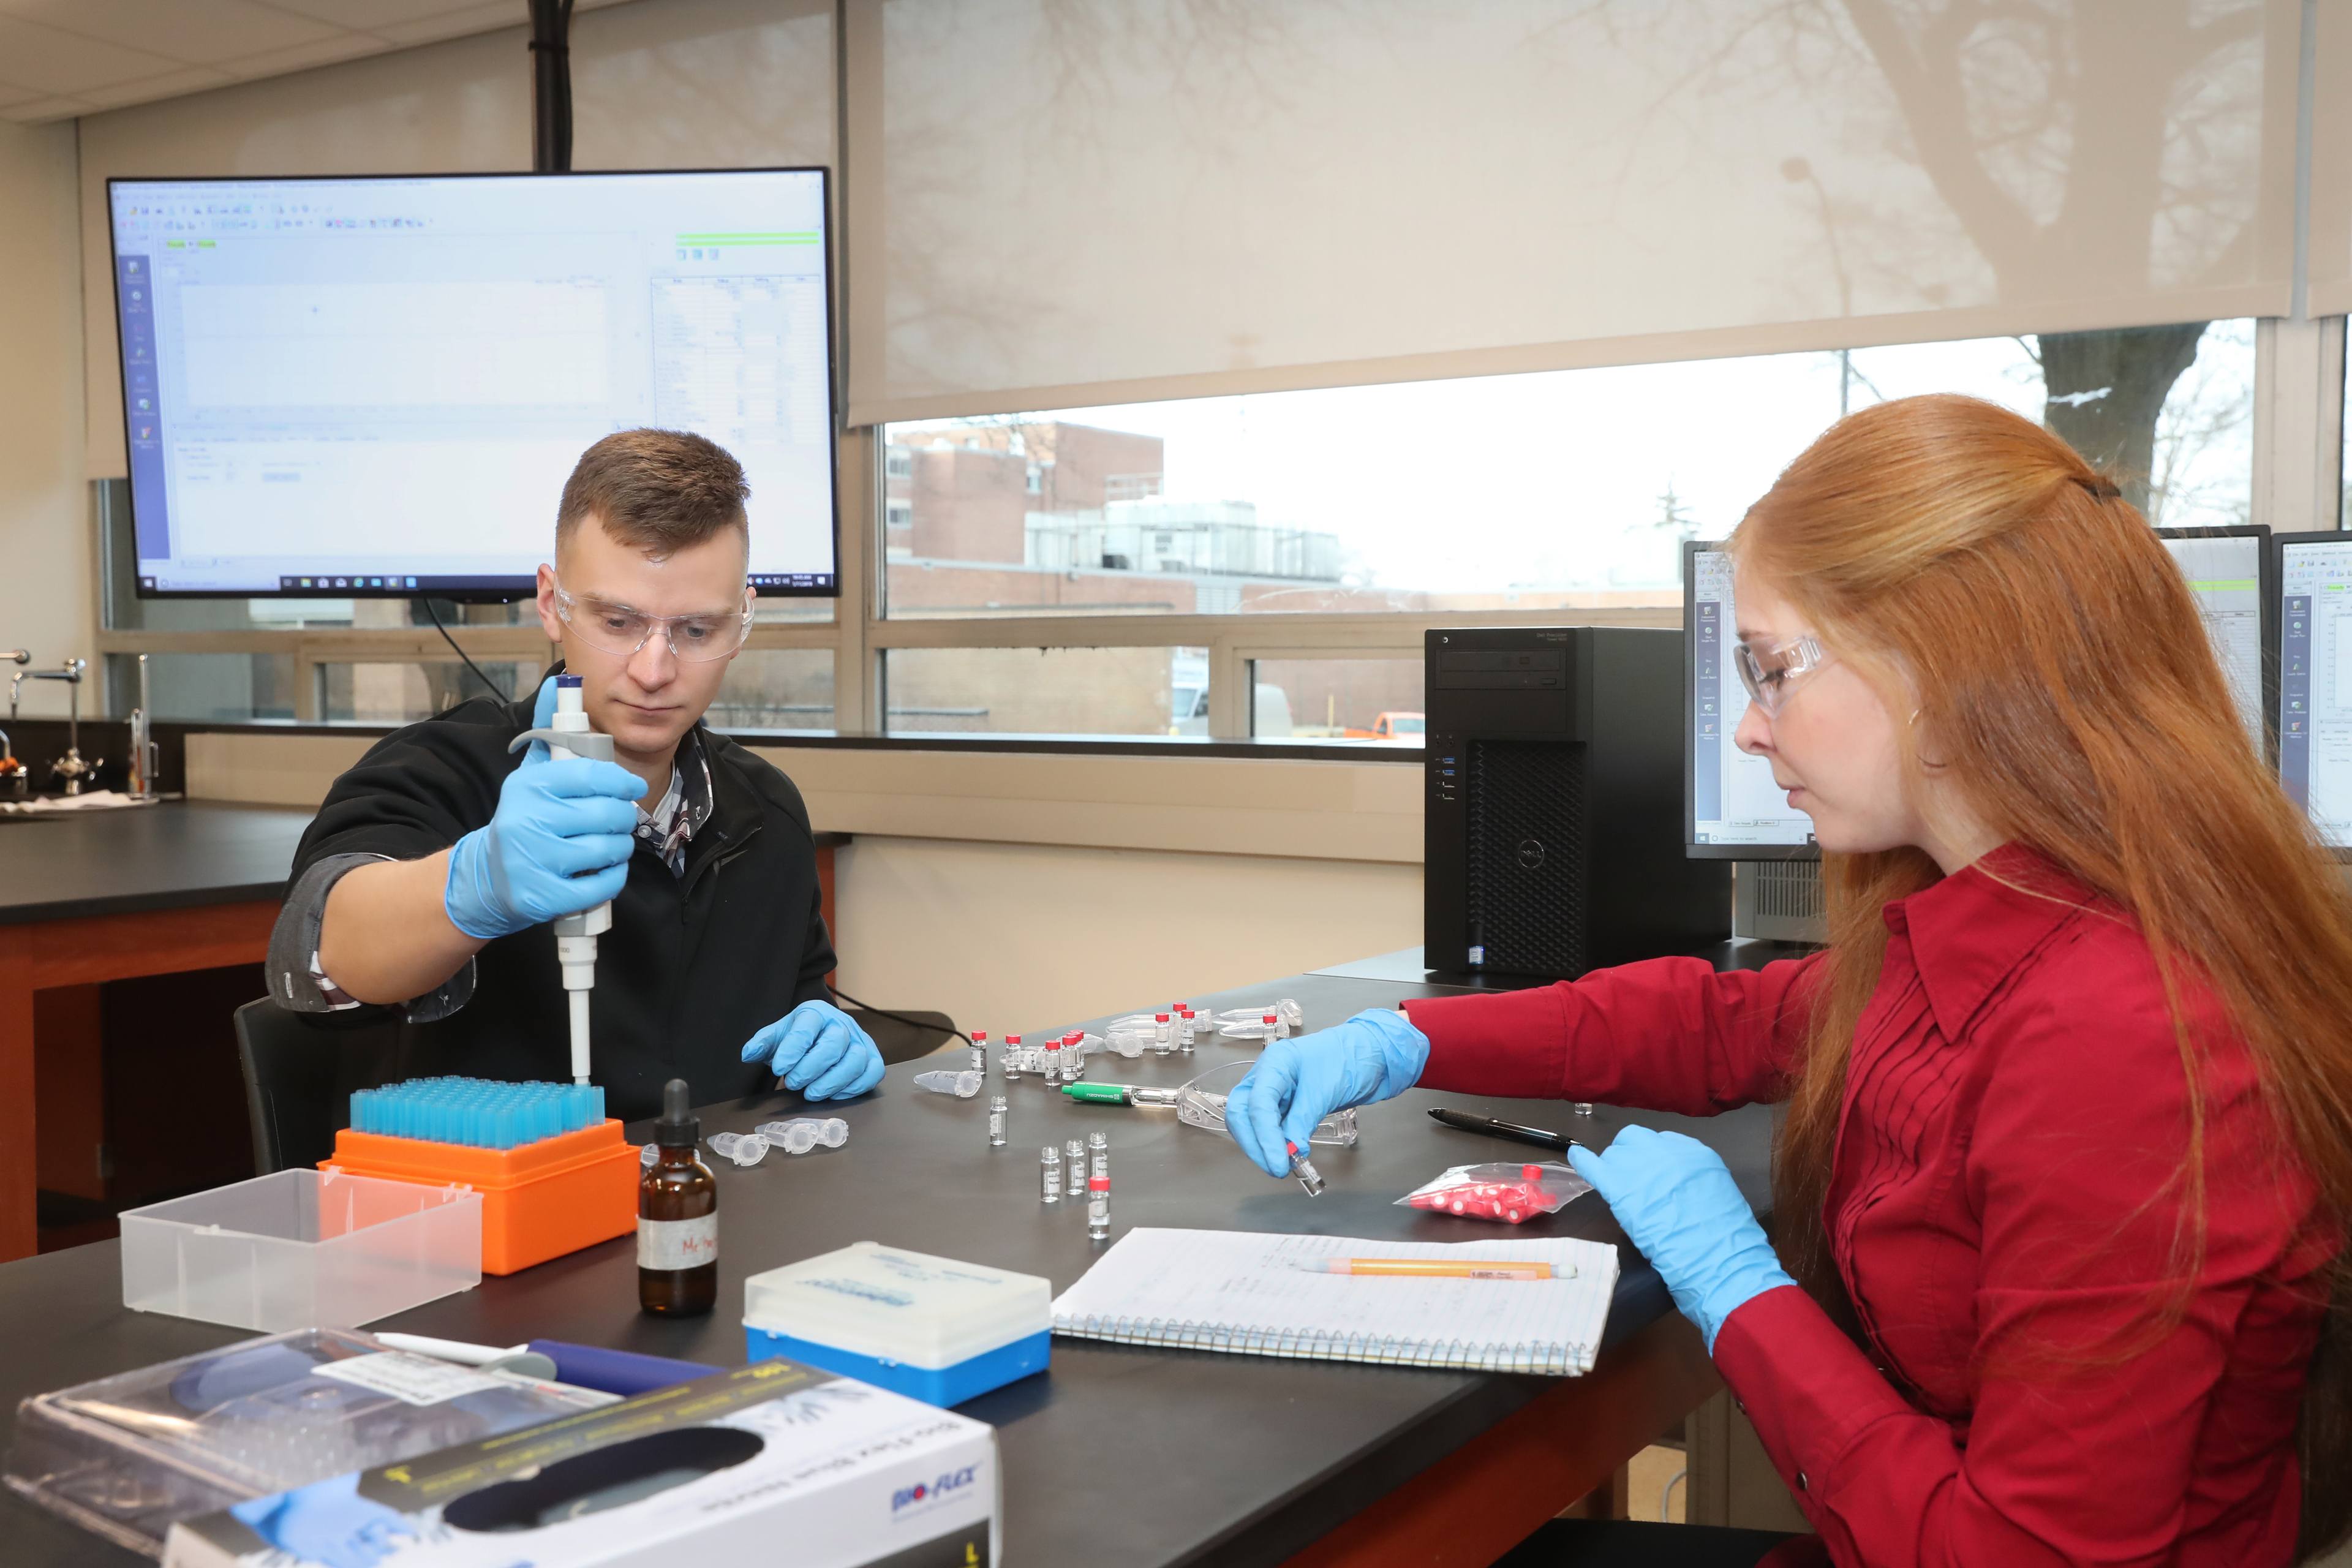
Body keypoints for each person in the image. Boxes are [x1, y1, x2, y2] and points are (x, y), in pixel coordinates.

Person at [1228, 396, 2352, 1567]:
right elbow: (1731, 1025)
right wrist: (1402, 1038)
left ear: (1945, 659)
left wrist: (1741, 1291)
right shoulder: (2014, 921)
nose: (1752, 732)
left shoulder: (2118, 1035)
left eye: (1771, 671)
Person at [266, 429, 883, 1120]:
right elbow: (326, 954)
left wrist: (823, 1035)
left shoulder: (765, 814)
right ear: (551, 603)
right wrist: (474, 884)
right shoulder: (440, 771)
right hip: (501, 1211)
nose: (654, 670)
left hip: (716, 1206)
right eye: (618, 621)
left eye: (698, 630)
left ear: (743, 620)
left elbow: (801, 997)